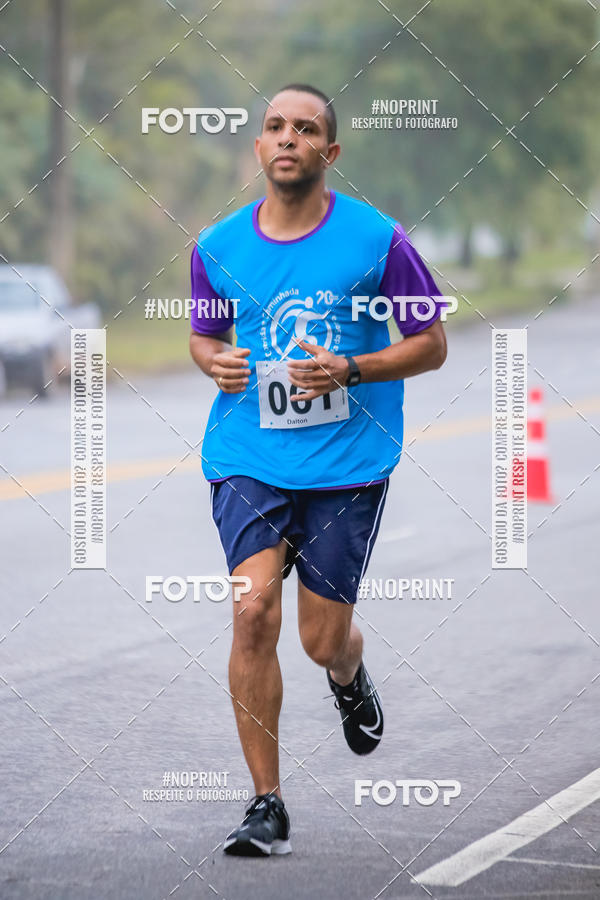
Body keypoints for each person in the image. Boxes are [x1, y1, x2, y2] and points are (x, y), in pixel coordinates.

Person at [189, 83, 448, 857]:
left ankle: (348, 674)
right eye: (275, 127)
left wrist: (354, 368)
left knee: (317, 638)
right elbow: (203, 339)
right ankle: (266, 804)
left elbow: (430, 343)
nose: (288, 138)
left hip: (348, 465)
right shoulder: (217, 247)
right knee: (252, 613)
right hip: (247, 456)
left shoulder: (377, 239)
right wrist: (216, 361)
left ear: (329, 153)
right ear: (259, 149)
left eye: (305, 129)